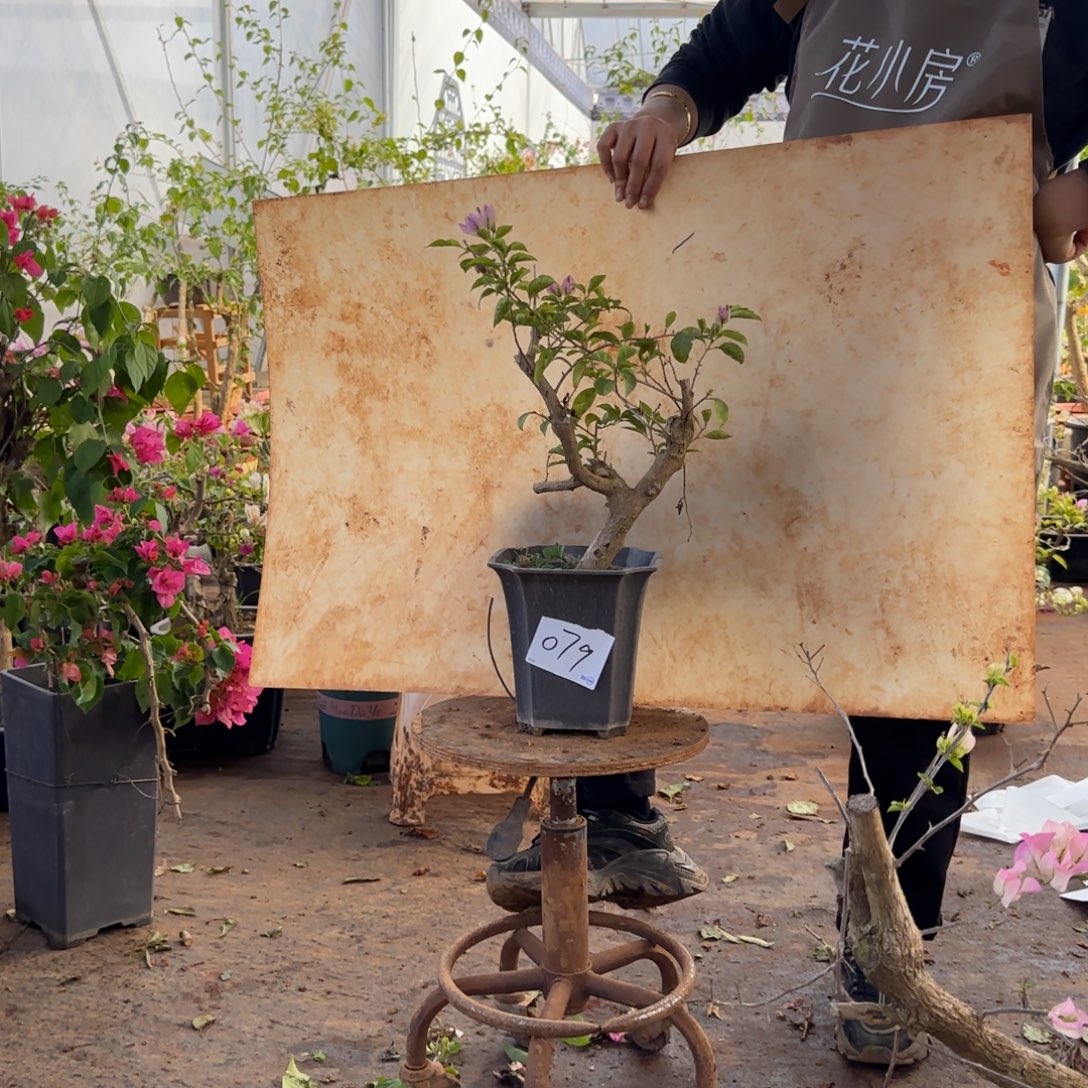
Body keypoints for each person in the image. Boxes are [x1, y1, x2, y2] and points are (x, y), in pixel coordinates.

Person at [488, 0, 1088, 1067]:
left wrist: (1075, 193)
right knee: (662, 513)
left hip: (953, 337)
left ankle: (884, 956)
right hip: (799, 298)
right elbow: (725, 52)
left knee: (909, 642)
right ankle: (615, 809)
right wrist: (665, 112)